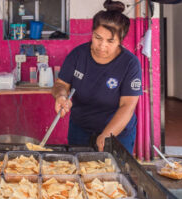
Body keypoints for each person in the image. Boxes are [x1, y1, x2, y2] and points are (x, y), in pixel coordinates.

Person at [51, 0, 142, 153]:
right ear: (92, 33)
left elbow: (128, 106)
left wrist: (107, 134)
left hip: (117, 132)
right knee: (78, 171)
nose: (102, 45)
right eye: (97, 37)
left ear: (120, 41)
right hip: (80, 129)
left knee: (115, 174)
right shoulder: (78, 55)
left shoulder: (130, 63)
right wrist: (61, 96)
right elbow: (61, 84)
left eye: (110, 41)